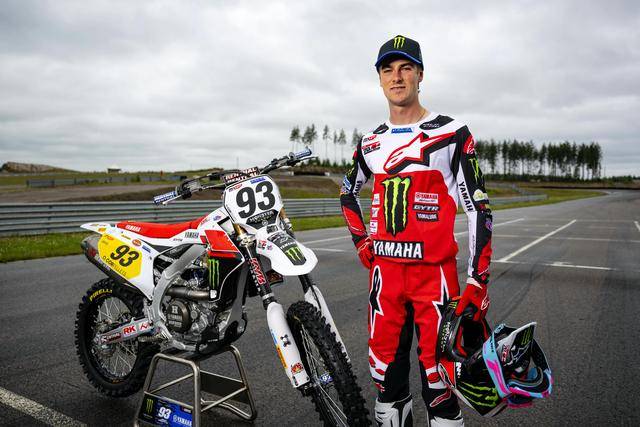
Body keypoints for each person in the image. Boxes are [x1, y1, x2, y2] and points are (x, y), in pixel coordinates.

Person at [340, 35, 493, 426]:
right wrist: (361, 242)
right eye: (388, 69)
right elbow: (347, 192)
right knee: (386, 385)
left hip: (435, 280)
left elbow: (478, 207)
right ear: (379, 78)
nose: (397, 77)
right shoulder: (370, 142)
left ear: (420, 75)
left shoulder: (452, 132)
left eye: (405, 68)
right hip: (385, 281)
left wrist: (477, 280)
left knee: (440, 386)